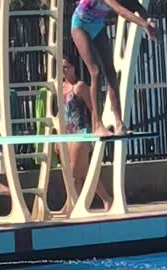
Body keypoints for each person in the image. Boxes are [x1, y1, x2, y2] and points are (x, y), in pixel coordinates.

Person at [71, 0, 158, 137]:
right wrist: (144, 25)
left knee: (111, 72)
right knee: (96, 72)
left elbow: (136, 6)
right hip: (80, 27)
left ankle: (119, 123)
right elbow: (120, 10)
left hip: (97, 27)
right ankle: (98, 124)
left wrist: (149, 19)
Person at [56, 55, 113, 210]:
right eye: (61, 67)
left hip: (81, 132)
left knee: (75, 171)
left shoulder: (79, 87)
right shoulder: (60, 88)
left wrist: (96, 128)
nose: (63, 70)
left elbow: (93, 107)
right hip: (67, 134)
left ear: (74, 68)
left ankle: (73, 205)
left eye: (66, 67)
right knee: (83, 171)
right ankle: (105, 199)